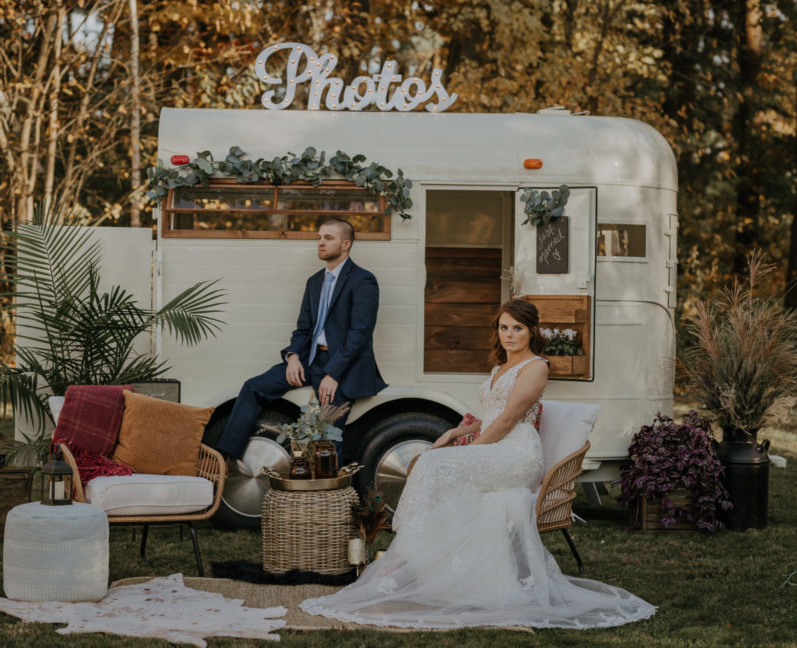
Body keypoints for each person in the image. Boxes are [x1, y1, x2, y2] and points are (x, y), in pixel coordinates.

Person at [300, 299, 656, 629]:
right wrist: (457, 432)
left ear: (532, 331)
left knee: (432, 465)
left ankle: (402, 555)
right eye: (504, 328)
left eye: (517, 328)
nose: (510, 335)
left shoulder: (536, 368)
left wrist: (466, 452)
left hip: (517, 453)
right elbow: (489, 418)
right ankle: (431, 566)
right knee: (434, 465)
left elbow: (507, 421)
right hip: (495, 445)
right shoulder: (500, 366)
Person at [214, 218, 387, 461]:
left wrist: (334, 374)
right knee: (253, 387)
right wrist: (293, 357)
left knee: (322, 431)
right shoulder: (314, 282)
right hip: (310, 359)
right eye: (318, 237)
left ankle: (325, 492)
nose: (320, 243)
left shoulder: (363, 280)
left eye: (328, 238)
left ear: (346, 244)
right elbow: (303, 329)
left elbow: (359, 334)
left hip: (344, 365)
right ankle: (225, 458)